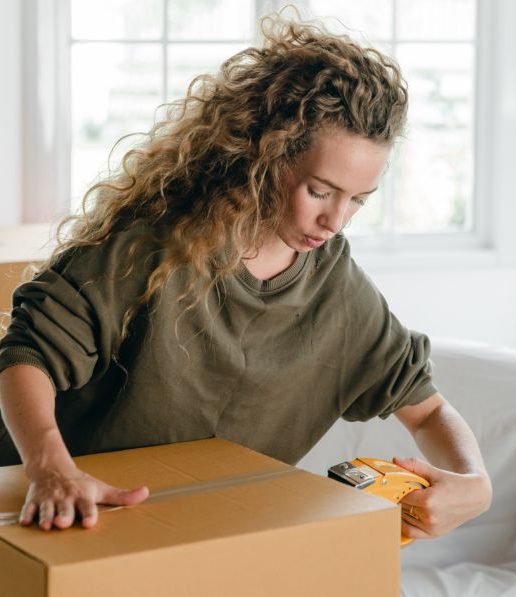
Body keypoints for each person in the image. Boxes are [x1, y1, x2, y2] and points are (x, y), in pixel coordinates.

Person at [0, 11, 491, 537]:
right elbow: (25, 358)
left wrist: (475, 483)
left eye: (358, 200)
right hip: (69, 522)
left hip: (203, 539)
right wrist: (50, 467)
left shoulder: (338, 290)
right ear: (267, 155)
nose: (335, 220)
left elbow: (427, 408)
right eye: (320, 191)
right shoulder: (149, 250)